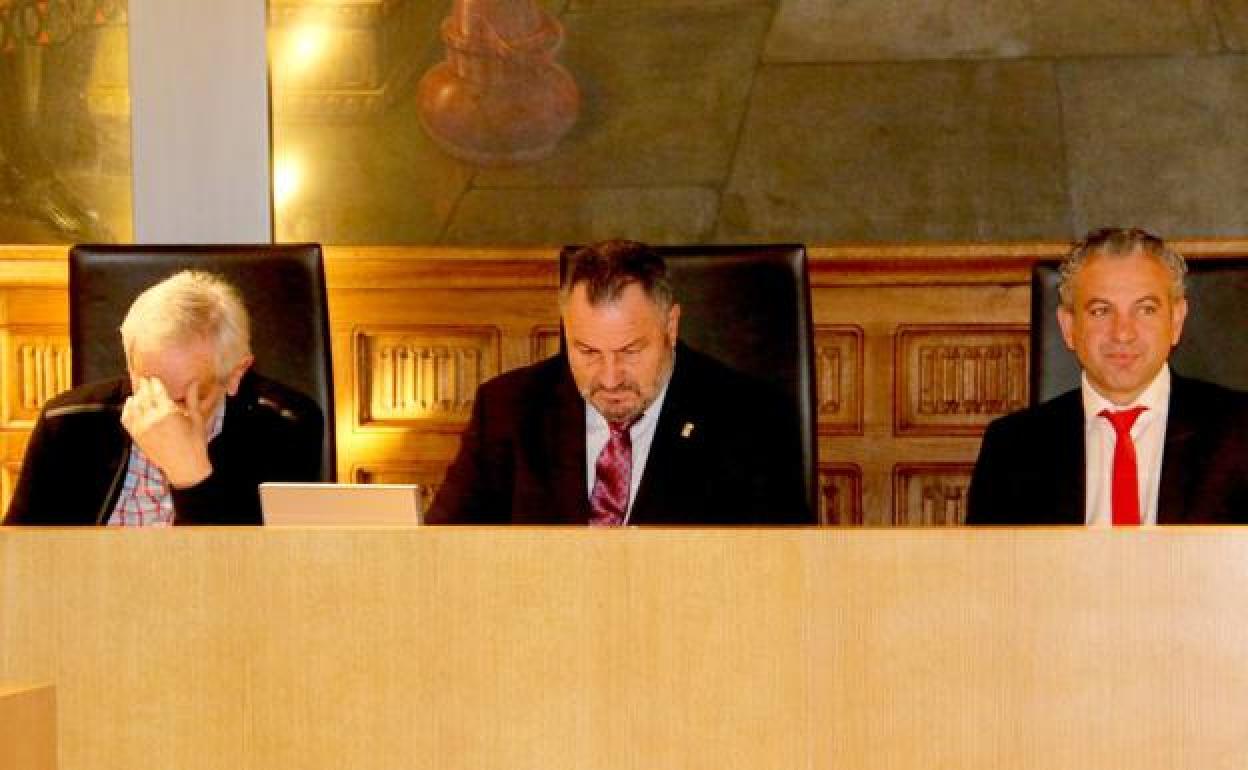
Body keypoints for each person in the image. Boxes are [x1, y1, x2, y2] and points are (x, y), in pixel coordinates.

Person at [426, 239, 813, 525]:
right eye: (588, 352)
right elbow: (443, 549)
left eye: (629, 352)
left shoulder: (751, 419)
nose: (609, 379)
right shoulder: (508, 409)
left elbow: (783, 569)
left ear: (670, 327)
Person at [967, 227, 1248, 525]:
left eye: (1146, 310)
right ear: (1068, 326)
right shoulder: (1012, 448)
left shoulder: (1241, 432)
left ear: (1176, 321)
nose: (1123, 333)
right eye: (1101, 311)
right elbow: (986, 568)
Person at [4, 270, 323, 525]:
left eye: (183, 400)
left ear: (236, 373)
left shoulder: (284, 429)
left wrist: (192, 476)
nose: (162, 416)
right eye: (149, 391)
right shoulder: (68, 424)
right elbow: (19, 562)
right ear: (130, 365)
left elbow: (266, 577)